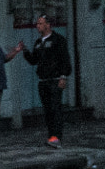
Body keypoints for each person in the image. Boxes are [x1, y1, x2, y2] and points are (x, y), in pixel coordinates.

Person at [23, 13, 73, 148]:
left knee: (55, 108)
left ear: (48, 25)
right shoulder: (39, 42)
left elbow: (65, 59)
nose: (37, 26)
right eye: (37, 23)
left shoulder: (58, 40)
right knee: (48, 110)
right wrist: (25, 51)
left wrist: (63, 76)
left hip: (55, 79)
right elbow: (34, 60)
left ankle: (57, 137)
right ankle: (51, 136)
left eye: (40, 23)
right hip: (43, 80)